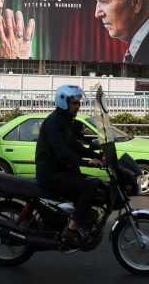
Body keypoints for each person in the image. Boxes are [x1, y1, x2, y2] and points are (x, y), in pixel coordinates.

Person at [35, 84, 104, 248]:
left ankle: (77, 219)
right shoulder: (54, 123)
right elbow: (63, 152)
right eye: (75, 103)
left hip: (61, 171)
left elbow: (75, 146)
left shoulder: (65, 121)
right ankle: (71, 229)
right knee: (88, 188)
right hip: (50, 174)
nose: (78, 106)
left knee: (94, 184)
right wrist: (87, 162)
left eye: (79, 103)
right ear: (63, 102)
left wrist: (96, 155)